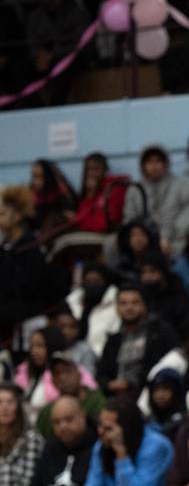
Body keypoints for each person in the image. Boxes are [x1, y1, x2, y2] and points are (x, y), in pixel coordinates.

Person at [96, 284, 180, 398]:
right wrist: (109, 384)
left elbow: (171, 362)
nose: (129, 308)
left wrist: (131, 384)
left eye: (135, 302)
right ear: (117, 308)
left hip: (150, 395)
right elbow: (102, 373)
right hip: (116, 397)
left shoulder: (160, 333)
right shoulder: (114, 340)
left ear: (144, 305)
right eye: (123, 303)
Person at [0, 186, 55, 341]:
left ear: (17, 216)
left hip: (25, 317)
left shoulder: (31, 249)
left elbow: (30, 288)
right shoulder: (6, 247)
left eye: (2, 214)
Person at [36, 352, 106, 439]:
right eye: (57, 373)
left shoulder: (97, 401)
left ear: (79, 374)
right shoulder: (47, 412)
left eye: (67, 371)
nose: (62, 377)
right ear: (53, 381)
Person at [0, 384, 45, 486]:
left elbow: (25, 485)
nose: (4, 407)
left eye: (10, 402)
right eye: (0, 402)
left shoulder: (31, 439)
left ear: (19, 407)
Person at [139, 251, 189, 342]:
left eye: (152, 271)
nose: (147, 277)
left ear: (163, 272)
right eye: (144, 272)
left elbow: (186, 326)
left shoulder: (178, 294)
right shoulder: (141, 294)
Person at [123, 145, 178, 235]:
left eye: (158, 161)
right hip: (142, 235)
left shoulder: (176, 185)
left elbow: (176, 214)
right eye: (149, 162)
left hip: (172, 232)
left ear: (165, 164)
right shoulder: (135, 189)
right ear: (143, 166)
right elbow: (129, 218)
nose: (154, 166)